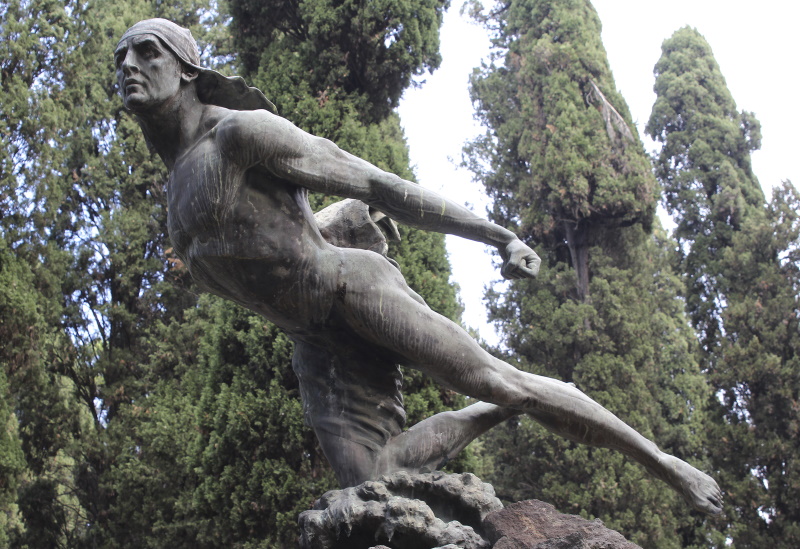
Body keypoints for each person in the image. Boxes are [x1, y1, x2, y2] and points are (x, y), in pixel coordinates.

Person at [115, 18, 723, 514]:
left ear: (189, 69)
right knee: (373, 479)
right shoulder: (175, 194)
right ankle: (500, 410)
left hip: (350, 288)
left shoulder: (240, 135)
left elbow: (378, 182)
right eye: (121, 58)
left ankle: (665, 464)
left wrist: (496, 235)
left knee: (496, 377)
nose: (129, 66)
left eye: (147, 51)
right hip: (317, 346)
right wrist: (337, 219)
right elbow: (268, 243)